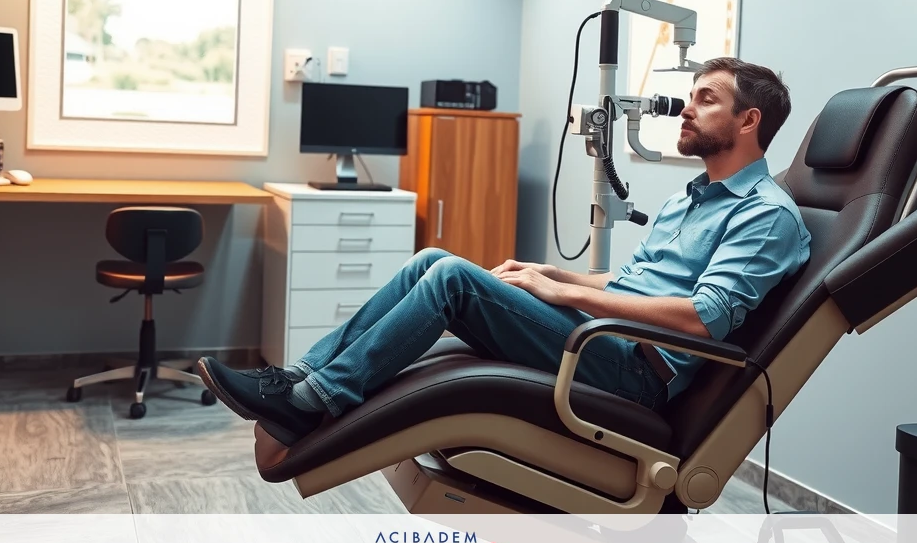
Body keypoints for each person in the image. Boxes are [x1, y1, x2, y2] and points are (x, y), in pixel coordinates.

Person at [197, 57, 812, 454]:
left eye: (705, 98)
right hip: (603, 331)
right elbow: (626, 280)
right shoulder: (692, 196)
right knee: (430, 259)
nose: (686, 107)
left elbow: (706, 318)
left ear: (748, 120)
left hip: (631, 370)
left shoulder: (765, 214)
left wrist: (565, 295)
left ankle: (316, 401)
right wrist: (552, 273)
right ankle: (300, 379)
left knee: (452, 282)